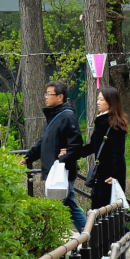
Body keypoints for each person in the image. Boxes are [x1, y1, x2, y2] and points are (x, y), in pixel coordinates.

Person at [31, 82, 87, 231]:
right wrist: (28, 157)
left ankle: (91, 237)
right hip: (57, 169)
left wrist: (62, 158)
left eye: (49, 94)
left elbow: (76, 144)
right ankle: (91, 237)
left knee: (64, 206)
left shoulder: (67, 116)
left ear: (60, 97)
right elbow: (44, 141)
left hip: (62, 170)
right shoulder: (54, 116)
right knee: (69, 206)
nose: (46, 97)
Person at [86, 87, 129, 211]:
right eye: (98, 99)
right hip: (100, 174)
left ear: (111, 102)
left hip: (110, 177)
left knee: (108, 213)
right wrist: (71, 152)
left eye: (101, 100)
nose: (98, 102)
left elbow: (118, 153)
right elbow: (92, 146)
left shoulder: (116, 125)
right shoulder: (100, 121)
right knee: (100, 211)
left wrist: (115, 176)